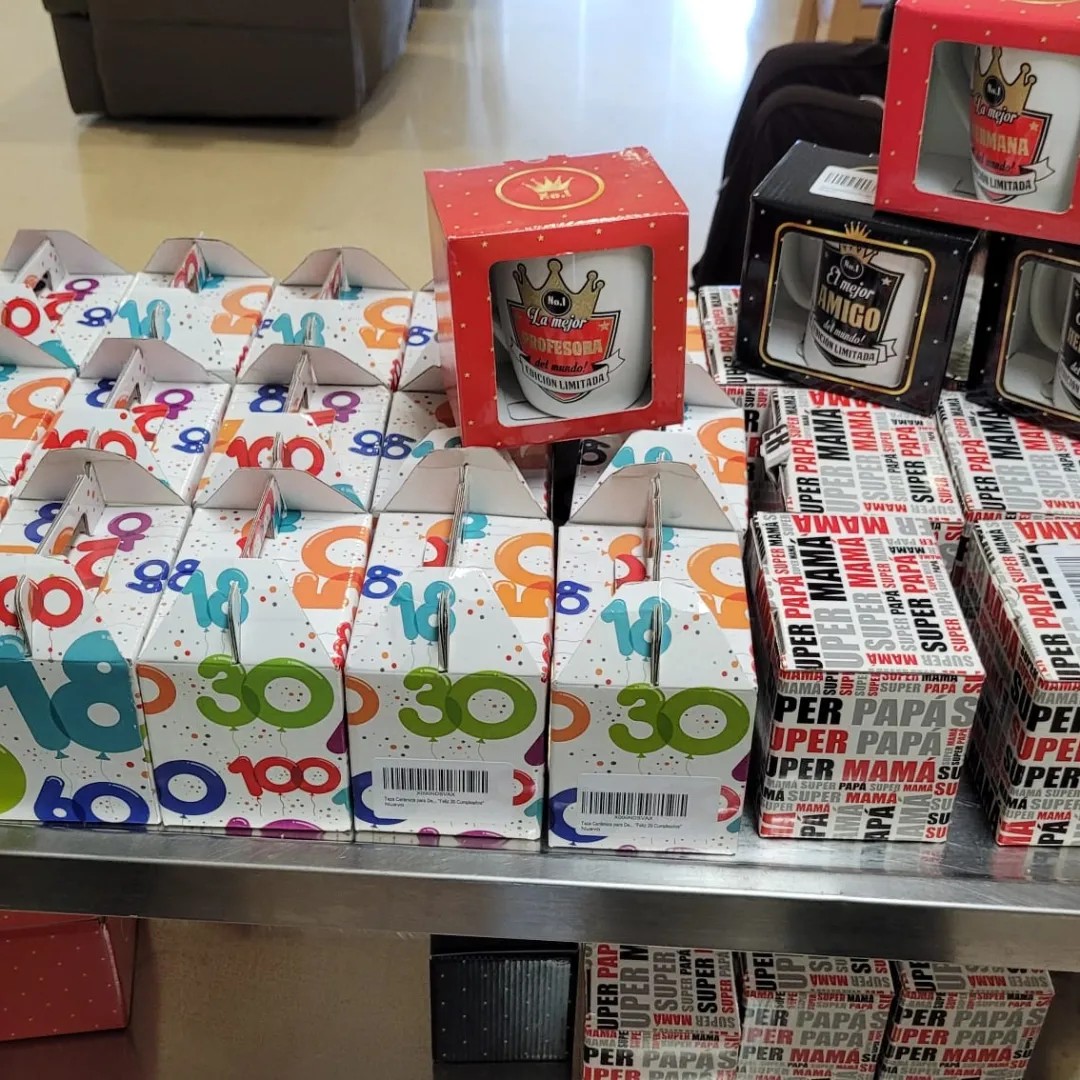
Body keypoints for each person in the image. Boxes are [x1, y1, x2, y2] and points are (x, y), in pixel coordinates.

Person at [692, 1, 896, 288]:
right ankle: (713, 274)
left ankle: (736, 287)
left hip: (951, 109)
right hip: (919, 46)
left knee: (784, 117)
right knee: (777, 68)